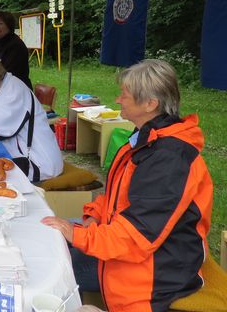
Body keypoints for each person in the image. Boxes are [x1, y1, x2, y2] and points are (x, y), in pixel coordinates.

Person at [42, 59, 213, 312]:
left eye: (124, 95)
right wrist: (93, 216)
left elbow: (137, 236)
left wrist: (77, 234)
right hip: (130, 246)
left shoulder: (169, 159)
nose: (118, 100)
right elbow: (115, 196)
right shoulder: (146, 138)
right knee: (49, 238)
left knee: (53, 268)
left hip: (157, 271)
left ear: (150, 104)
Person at [0, 11, 32, 90]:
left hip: (17, 90)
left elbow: (7, 74)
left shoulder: (16, 46)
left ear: (9, 26)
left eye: (0, 24)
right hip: (0, 89)